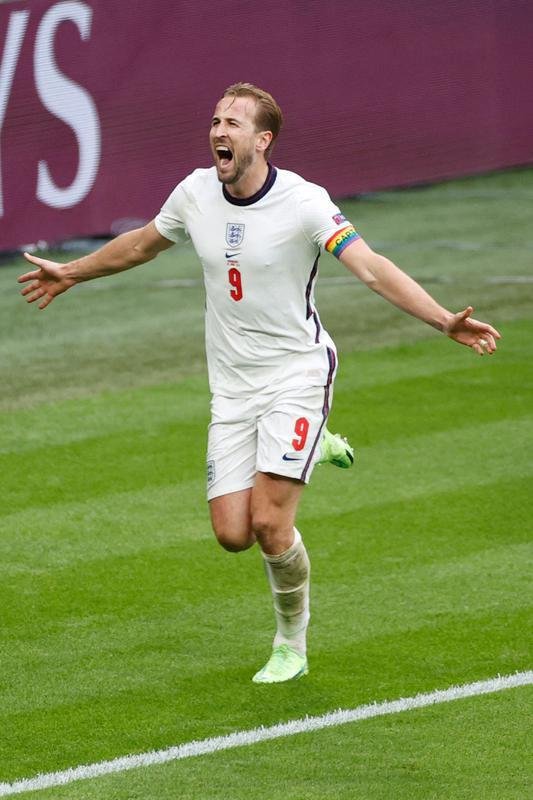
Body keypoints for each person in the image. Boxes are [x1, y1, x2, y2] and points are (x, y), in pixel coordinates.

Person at [18, 82, 501, 684]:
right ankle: (312, 443)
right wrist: (72, 273)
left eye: (234, 124)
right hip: (233, 387)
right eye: (215, 120)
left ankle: (290, 644)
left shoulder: (305, 203)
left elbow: (372, 269)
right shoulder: (195, 192)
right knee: (232, 534)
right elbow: (140, 245)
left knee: (272, 524)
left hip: (297, 374)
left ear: (262, 140)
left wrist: (441, 320)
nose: (219, 131)